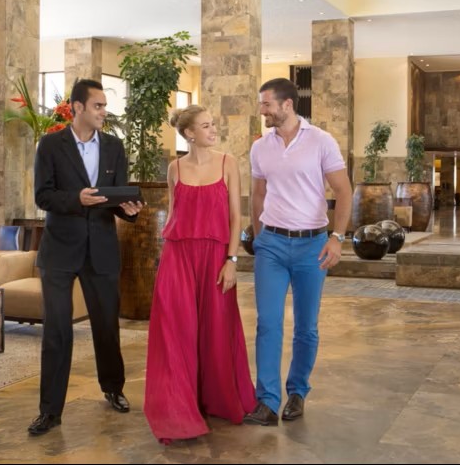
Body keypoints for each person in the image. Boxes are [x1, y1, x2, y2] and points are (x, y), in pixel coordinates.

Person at [28, 79, 144, 436]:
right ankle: (50, 411)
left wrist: (129, 209)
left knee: (107, 326)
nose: (104, 112)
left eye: (104, 106)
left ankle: (113, 388)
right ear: (77, 107)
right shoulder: (50, 144)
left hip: (102, 250)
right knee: (57, 331)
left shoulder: (114, 146)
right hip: (60, 252)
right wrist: (75, 199)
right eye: (98, 105)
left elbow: (116, 198)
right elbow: (43, 196)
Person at [144, 105, 256, 444]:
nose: (213, 130)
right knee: (175, 330)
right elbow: (174, 214)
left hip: (216, 258)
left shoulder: (228, 163)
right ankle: (177, 409)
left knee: (216, 330)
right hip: (178, 256)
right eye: (206, 126)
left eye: (213, 124)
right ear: (189, 133)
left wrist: (232, 260)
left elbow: (236, 217)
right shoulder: (175, 168)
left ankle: (216, 399)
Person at [245, 78, 352, 426]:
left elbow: (344, 191)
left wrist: (337, 237)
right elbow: (258, 194)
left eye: (266, 104)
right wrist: (260, 237)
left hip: (312, 246)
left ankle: (297, 392)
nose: (262, 110)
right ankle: (267, 401)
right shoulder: (260, 147)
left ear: (287, 105)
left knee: (306, 327)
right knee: (267, 323)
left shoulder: (321, 141)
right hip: (272, 246)